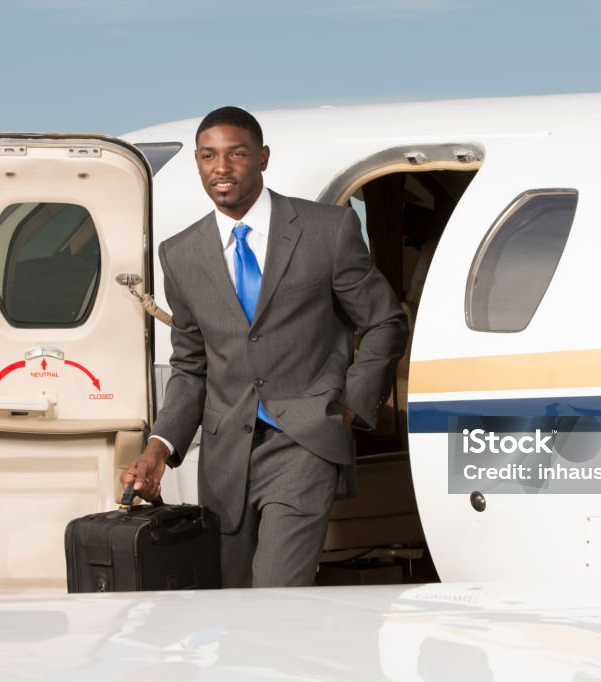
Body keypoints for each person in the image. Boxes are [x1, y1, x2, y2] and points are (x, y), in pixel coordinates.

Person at [122, 106, 407, 588]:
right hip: (225, 455)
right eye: (208, 156)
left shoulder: (327, 230)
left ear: (263, 158)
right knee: (232, 598)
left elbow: (384, 321)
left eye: (236, 154)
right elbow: (191, 367)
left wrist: (351, 408)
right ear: (197, 163)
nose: (222, 168)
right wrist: (157, 448)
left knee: (276, 591)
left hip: (305, 441)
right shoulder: (180, 254)